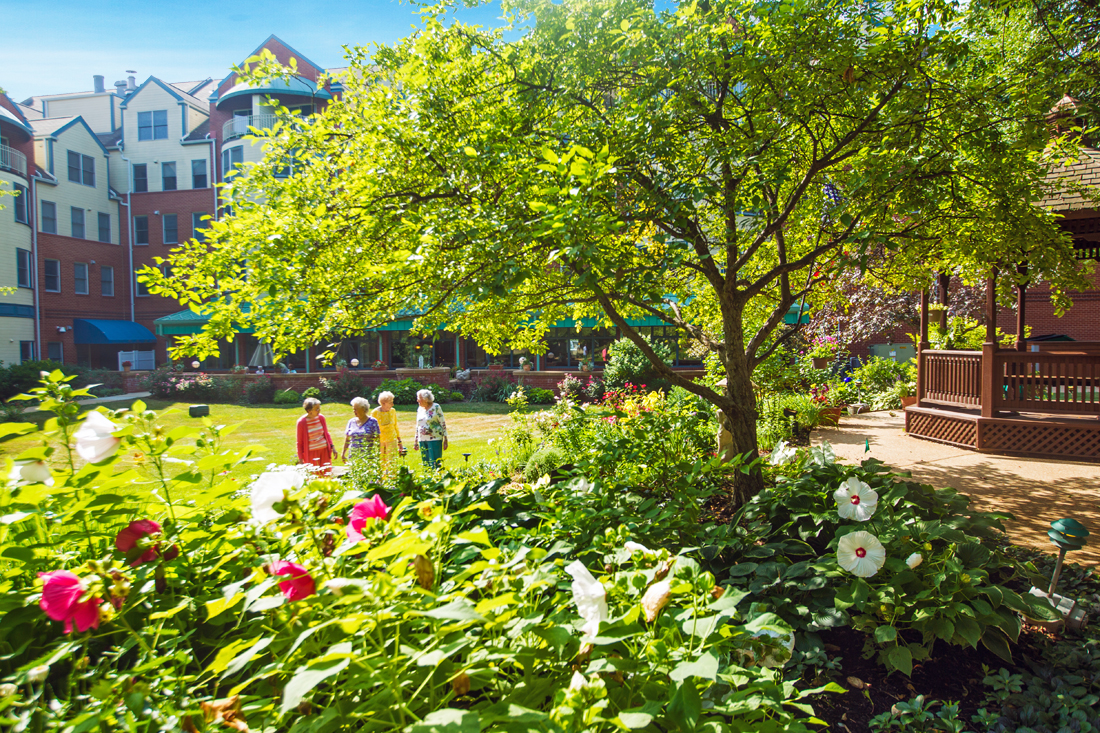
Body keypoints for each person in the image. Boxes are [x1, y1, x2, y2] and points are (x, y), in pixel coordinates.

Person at [296, 397, 335, 472]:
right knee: (314, 475)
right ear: (309, 411)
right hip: (311, 453)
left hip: (324, 451)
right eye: (316, 409)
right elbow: (299, 442)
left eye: (319, 408)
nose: (319, 410)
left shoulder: (321, 418)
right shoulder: (301, 422)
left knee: (326, 474)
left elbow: (326, 434)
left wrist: (332, 446)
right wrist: (300, 459)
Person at [413, 388, 448, 469]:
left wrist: (445, 439)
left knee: (435, 463)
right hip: (422, 439)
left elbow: (442, 423)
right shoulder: (420, 409)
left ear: (425, 399)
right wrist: (416, 441)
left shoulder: (436, 407)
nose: (417, 400)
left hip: (435, 439)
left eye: (419, 398)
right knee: (426, 463)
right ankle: (427, 479)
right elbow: (418, 425)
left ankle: (437, 479)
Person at [342, 396, 380, 462]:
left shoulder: (373, 421)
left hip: (368, 456)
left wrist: (378, 454)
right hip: (353, 455)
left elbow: (377, 440)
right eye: (353, 409)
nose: (354, 411)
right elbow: (347, 439)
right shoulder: (351, 422)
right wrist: (343, 453)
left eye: (356, 409)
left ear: (363, 409)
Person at [370, 391, 403, 467]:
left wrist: (400, 442)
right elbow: (372, 429)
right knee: (381, 463)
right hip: (380, 442)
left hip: (392, 440)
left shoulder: (393, 411)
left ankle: (393, 478)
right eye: (390, 402)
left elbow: (395, 426)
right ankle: (382, 478)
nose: (392, 404)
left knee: (392, 463)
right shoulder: (374, 413)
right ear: (383, 403)